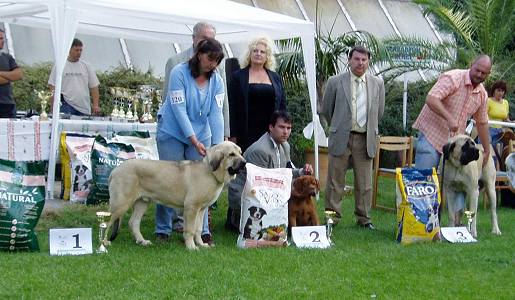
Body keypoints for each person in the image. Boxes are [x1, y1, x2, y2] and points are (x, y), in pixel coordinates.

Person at [155, 37, 225, 245]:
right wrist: (193, 140)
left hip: (201, 136)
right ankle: (163, 229)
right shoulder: (179, 72)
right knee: (166, 181)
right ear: (198, 54)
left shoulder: (217, 81)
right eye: (209, 58)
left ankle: (200, 232)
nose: (212, 64)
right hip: (172, 132)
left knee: (204, 184)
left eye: (216, 61)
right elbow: (178, 109)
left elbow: (216, 114)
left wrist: (219, 147)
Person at [413, 55, 492, 219]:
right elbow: (431, 98)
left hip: (455, 147)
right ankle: (420, 224)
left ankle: (455, 227)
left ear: (488, 74)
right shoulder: (453, 78)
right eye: (477, 70)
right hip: (431, 136)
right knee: (424, 181)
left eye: (484, 73)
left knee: (458, 181)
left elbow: (482, 122)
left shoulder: (482, 94)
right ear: (471, 64)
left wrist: (486, 150)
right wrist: (449, 118)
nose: (479, 74)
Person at [319, 45, 385, 230]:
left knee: (364, 183)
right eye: (356, 59)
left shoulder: (377, 83)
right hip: (341, 136)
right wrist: (339, 126)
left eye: (364, 60)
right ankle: (332, 217)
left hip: (365, 139)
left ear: (368, 62)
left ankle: (364, 218)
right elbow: (326, 109)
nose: (360, 63)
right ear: (349, 60)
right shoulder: (335, 81)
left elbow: (378, 112)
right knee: (335, 180)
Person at [226, 110, 313, 231]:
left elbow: (284, 172)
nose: (285, 132)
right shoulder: (261, 151)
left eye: (289, 128)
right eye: (281, 127)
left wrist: (302, 172)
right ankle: (235, 219)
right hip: (246, 195)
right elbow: (262, 185)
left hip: (265, 189)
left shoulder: (285, 145)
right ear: (271, 127)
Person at [229, 36, 286, 152]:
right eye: (255, 51)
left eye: (262, 52)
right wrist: (232, 135)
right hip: (245, 131)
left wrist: (282, 128)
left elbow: (282, 105)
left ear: (267, 56)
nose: (258, 54)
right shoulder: (238, 77)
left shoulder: (275, 77)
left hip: (269, 131)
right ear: (249, 54)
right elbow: (232, 107)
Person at [48, 38, 100, 116]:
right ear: (69, 49)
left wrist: (95, 105)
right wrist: (53, 107)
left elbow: (94, 87)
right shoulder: (60, 65)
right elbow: (52, 86)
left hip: (84, 108)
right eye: (76, 50)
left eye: (80, 50)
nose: (79, 53)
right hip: (66, 105)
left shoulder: (86, 66)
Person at [0, 29, 23, 118]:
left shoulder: (7, 57)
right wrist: (10, 76)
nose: (3, 41)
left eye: (3, 39)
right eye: (0, 39)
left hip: (8, 105)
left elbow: (19, 74)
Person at [487, 80, 511, 148]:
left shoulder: (505, 102)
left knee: (497, 155)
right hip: (488, 129)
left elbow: (506, 119)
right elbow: (483, 116)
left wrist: (512, 122)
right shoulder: (488, 101)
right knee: (488, 151)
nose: (501, 93)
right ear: (494, 90)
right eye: (499, 90)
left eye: (503, 91)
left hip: (500, 132)